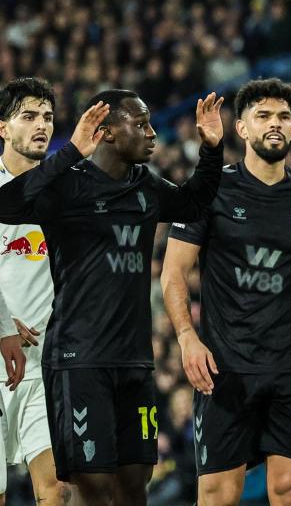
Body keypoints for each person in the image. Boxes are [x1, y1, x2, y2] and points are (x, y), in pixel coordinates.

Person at [0, 89, 224, 504]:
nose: (152, 134)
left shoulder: (145, 187)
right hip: (78, 361)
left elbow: (193, 205)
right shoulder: (67, 187)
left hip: (134, 362)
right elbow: (5, 204)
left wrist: (212, 150)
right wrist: (69, 153)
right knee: (92, 491)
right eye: (140, 125)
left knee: (134, 488)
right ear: (106, 133)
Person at [161, 79, 291, 506]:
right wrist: (187, 339)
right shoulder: (209, 190)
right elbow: (173, 273)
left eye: (283, 117)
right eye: (263, 116)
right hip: (225, 370)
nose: (274, 124)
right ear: (240, 129)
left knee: (290, 491)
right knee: (219, 496)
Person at [0, 78, 69, 505]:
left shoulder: (63, 187)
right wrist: (4, 322)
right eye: (28, 116)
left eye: (47, 117)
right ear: (2, 128)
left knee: (57, 487)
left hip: (45, 362)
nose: (41, 125)